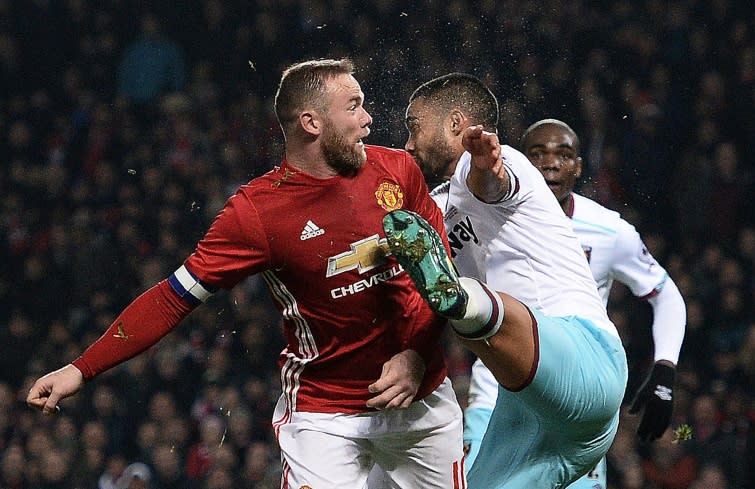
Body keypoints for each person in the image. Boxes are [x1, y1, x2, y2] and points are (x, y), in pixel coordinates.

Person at [26, 58, 465, 489]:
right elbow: (172, 297)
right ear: (311, 123)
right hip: (325, 413)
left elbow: (443, 271)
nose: (368, 119)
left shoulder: (397, 171)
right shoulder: (257, 213)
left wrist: (418, 354)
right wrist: (82, 369)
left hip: (420, 394)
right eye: (353, 106)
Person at [392, 72, 628, 487]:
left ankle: (462, 300)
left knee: (471, 308)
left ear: (454, 123)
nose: (409, 143)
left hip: (585, 361)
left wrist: (487, 166)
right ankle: (462, 302)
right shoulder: (432, 210)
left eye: (415, 127)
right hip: (532, 414)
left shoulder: (500, 162)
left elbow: (490, 183)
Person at [460, 119, 688, 487]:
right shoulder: (481, 221)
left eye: (563, 155)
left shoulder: (608, 229)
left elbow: (666, 294)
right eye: (538, 154)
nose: (550, 163)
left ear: (578, 167)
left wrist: (665, 371)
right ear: (516, 161)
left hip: (574, 402)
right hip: (497, 398)